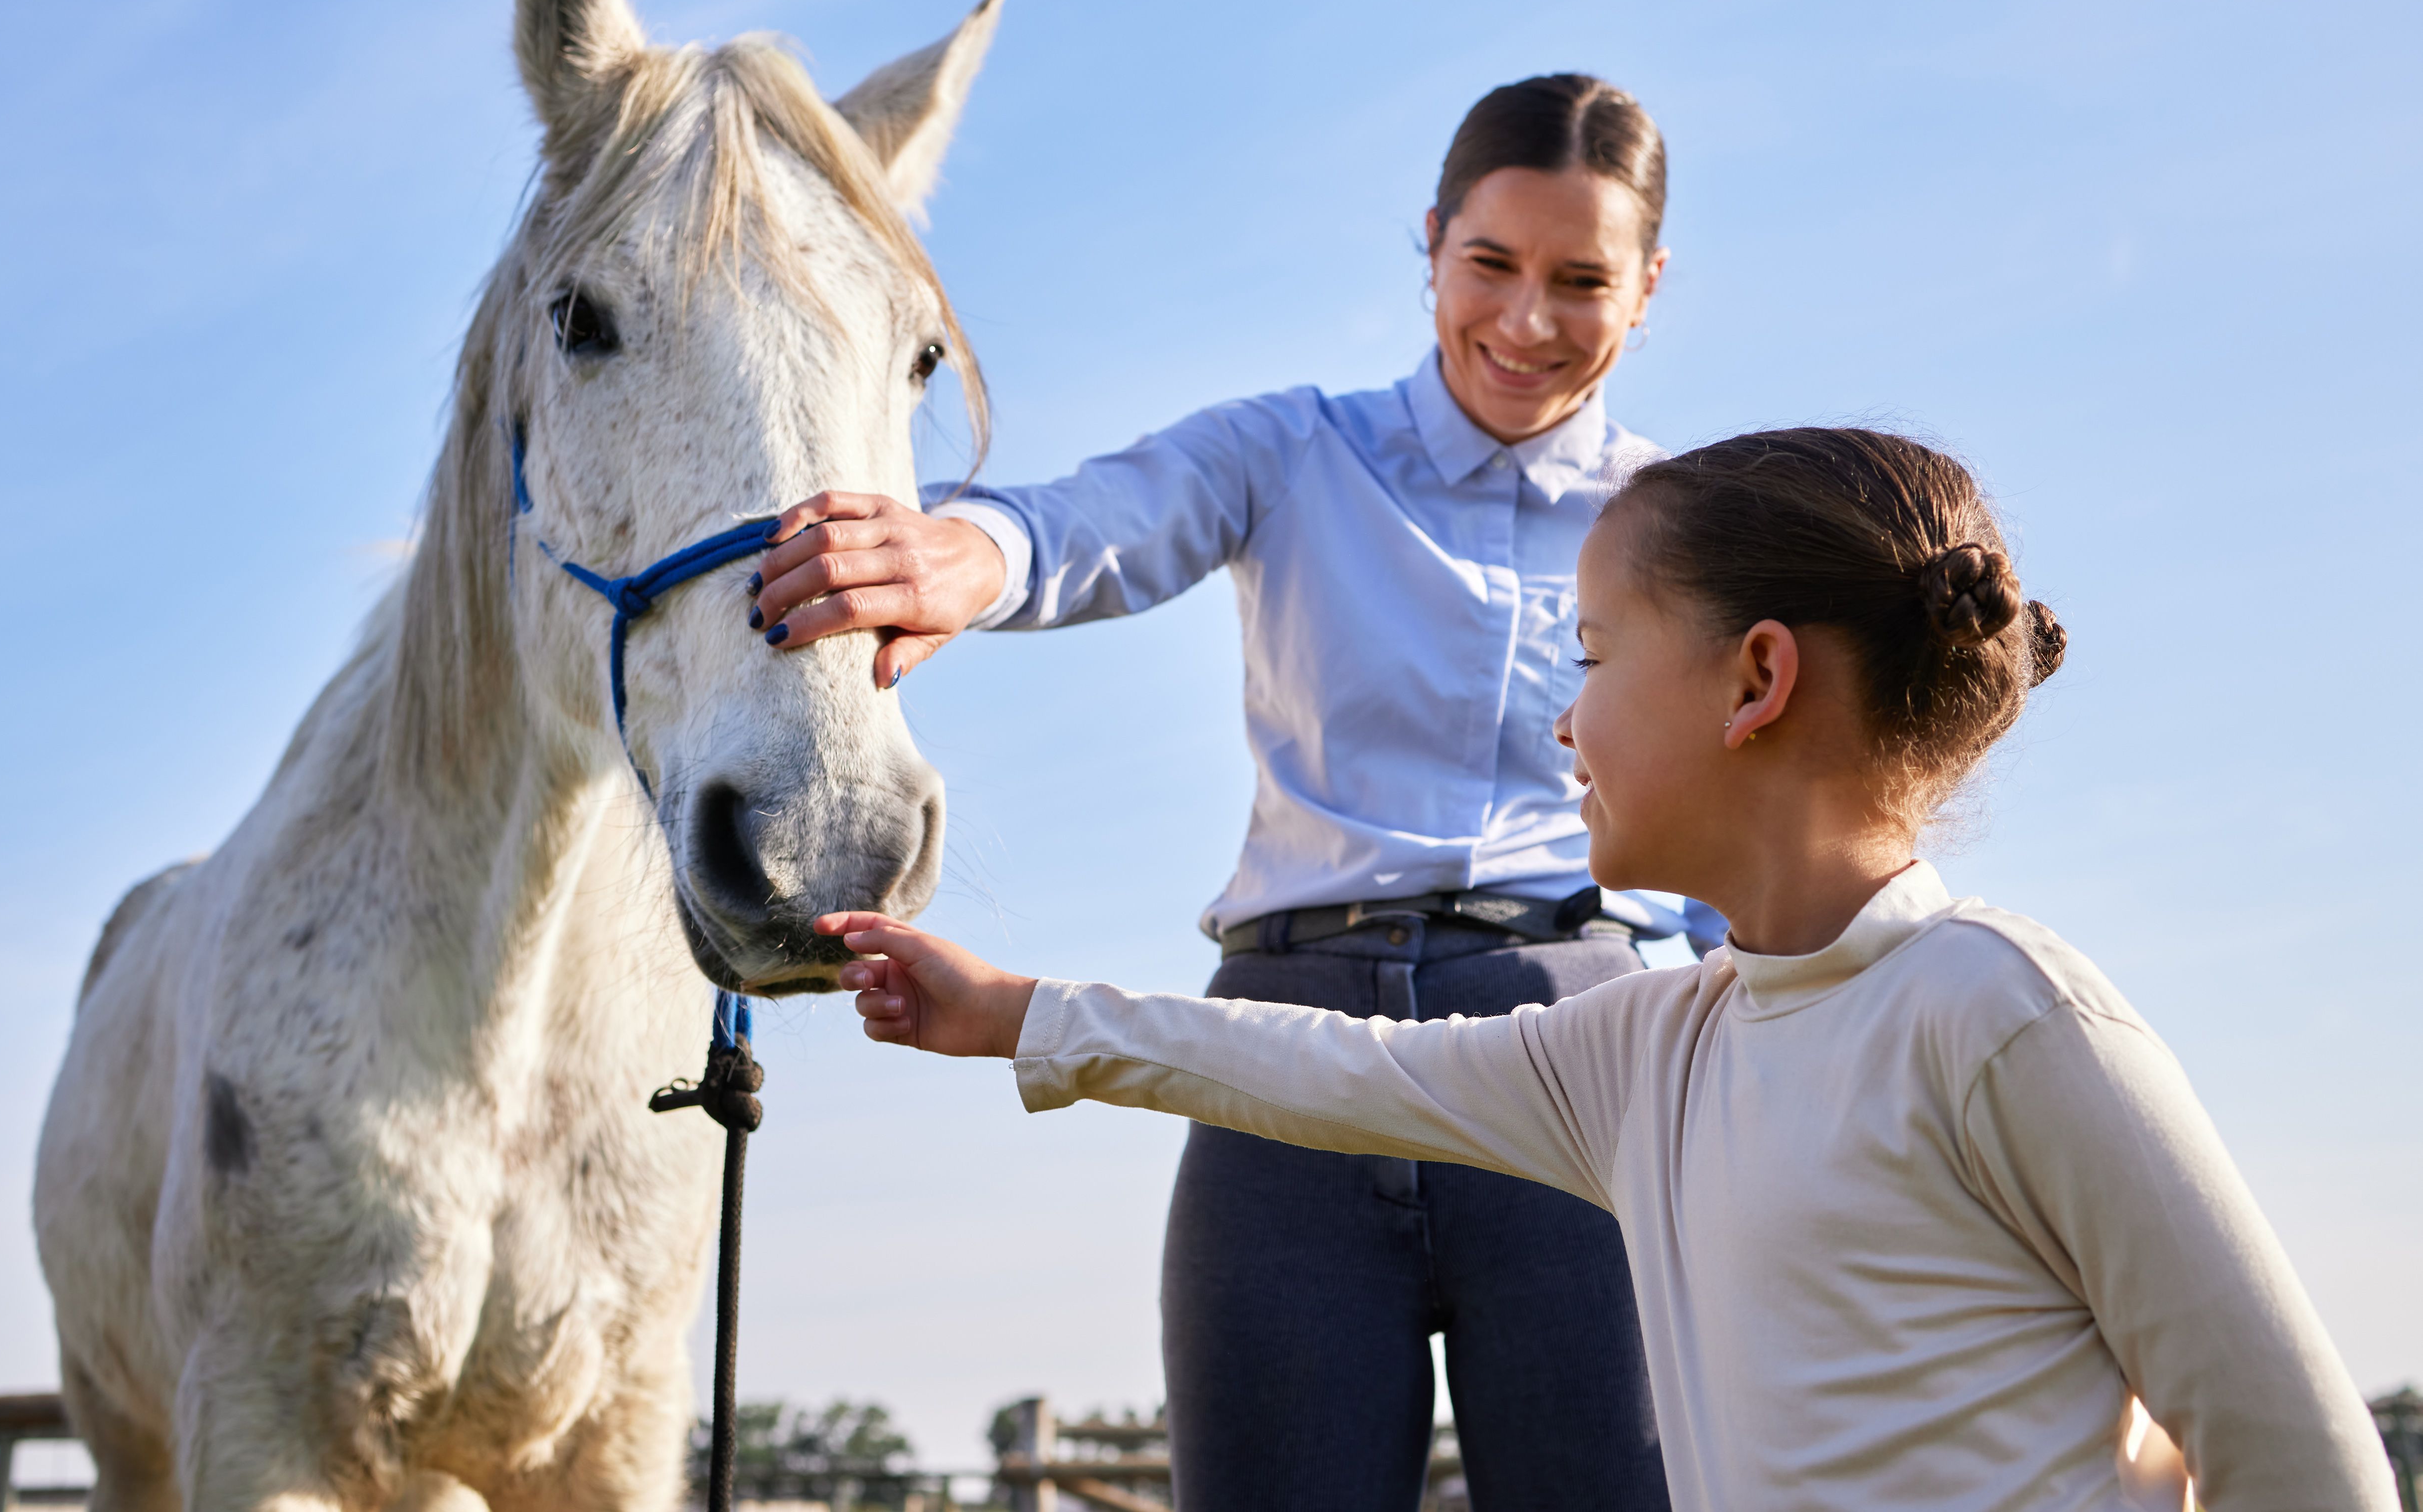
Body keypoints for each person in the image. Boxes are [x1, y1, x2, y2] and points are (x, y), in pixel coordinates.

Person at [815, 427, 2398, 1511]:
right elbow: (1332, 1069)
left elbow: (2302, 1462)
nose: (1560, 722)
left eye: (1590, 655)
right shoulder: (1646, 1051)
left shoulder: (1999, 1016)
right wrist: (1016, 1018)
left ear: (1754, 679)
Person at [749, 75, 1684, 1508]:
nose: (1525, 322)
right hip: (1285, 1051)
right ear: (1429, 242)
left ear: (1647, 288)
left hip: (1574, 1057)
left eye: (1580, 282)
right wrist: (959, 558)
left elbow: (1750, 812)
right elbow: (1094, 522)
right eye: (1489, 265)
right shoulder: (1290, 450)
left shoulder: (1681, 521)